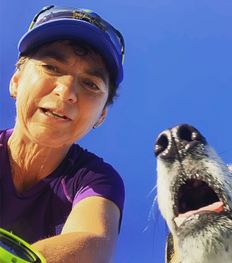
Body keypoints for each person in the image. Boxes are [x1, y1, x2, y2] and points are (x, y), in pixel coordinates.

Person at [0, 5, 125, 263]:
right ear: (16, 81)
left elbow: (92, 243)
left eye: (90, 84)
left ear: (101, 115)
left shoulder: (96, 180)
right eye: (52, 67)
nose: (67, 91)